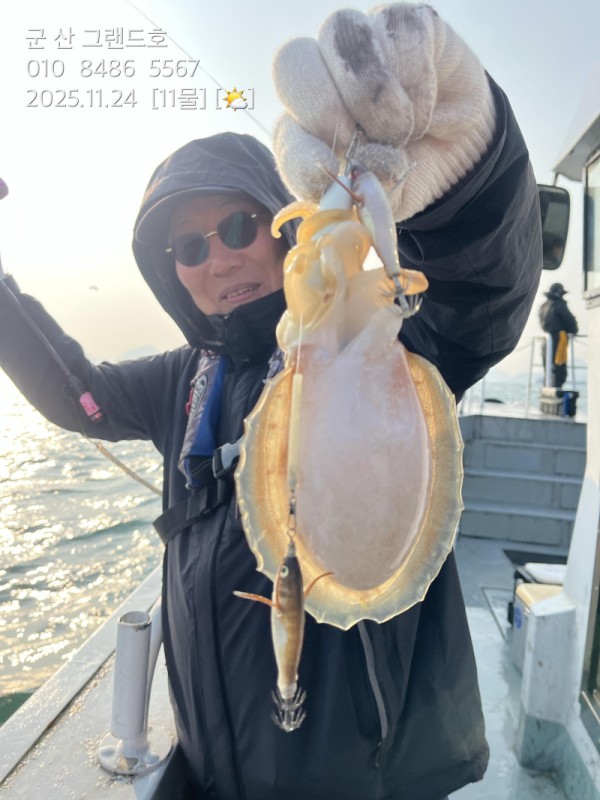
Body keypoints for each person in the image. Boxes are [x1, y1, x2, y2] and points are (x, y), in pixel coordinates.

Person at [0, 5, 542, 799]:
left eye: (237, 226)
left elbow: (482, 294)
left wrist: (469, 160)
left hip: (369, 777)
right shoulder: (183, 379)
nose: (218, 259)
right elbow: (76, 394)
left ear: (282, 221)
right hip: (218, 770)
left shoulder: (380, 337)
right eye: (189, 247)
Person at [539, 282, 578, 388]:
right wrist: (574, 331)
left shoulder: (543, 306)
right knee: (559, 366)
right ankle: (557, 388)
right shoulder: (559, 305)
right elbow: (570, 322)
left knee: (547, 366)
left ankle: (548, 386)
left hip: (546, 340)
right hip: (558, 340)